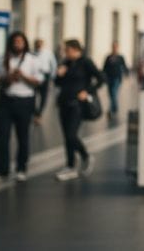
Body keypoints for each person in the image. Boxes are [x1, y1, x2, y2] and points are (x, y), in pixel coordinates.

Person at [0, 31, 42, 183]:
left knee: (23, 137)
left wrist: (23, 76)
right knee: (3, 137)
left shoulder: (32, 59)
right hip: (5, 102)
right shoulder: (3, 58)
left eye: (20, 42)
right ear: (11, 43)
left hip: (24, 102)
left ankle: (21, 168)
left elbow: (38, 81)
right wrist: (7, 77)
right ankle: (2, 170)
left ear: (25, 44)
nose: (18, 44)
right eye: (15, 42)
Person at [54, 39, 104, 181]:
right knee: (66, 137)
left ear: (76, 49)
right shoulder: (66, 63)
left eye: (67, 50)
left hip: (77, 105)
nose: (65, 53)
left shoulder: (86, 62)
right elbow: (57, 83)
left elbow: (101, 78)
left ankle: (86, 156)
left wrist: (87, 91)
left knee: (71, 135)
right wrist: (59, 74)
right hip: (64, 102)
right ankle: (70, 166)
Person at [32, 38, 58, 125]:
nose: (38, 46)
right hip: (34, 76)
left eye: (40, 44)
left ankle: (39, 114)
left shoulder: (47, 53)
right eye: (37, 44)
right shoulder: (31, 53)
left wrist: (52, 77)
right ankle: (35, 113)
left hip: (45, 75)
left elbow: (53, 64)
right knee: (32, 96)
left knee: (44, 97)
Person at [102, 41, 129, 119]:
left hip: (117, 78)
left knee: (114, 93)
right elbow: (104, 67)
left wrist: (126, 73)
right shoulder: (108, 57)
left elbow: (124, 66)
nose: (114, 48)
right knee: (111, 94)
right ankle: (114, 107)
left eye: (116, 47)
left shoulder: (120, 57)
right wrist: (103, 76)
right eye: (113, 46)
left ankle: (111, 109)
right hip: (109, 78)